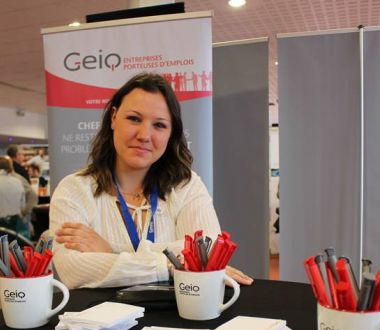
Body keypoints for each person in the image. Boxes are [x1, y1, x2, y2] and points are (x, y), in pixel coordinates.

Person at [50, 73, 253, 289]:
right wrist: (172, 265)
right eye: (134, 119)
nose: (144, 135)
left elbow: (207, 251)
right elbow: (72, 270)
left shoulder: (186, 185)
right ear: (113, 118)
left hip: (178, 310)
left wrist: (113, 252)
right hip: (101, 312)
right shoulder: (73, 189)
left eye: (159, 125)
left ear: (171, 133)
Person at [0, 156, 26, 233]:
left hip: (1, 223)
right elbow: (22, 205)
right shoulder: (18, 181)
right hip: (15, 222)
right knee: (13, 240)